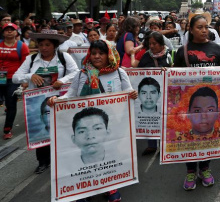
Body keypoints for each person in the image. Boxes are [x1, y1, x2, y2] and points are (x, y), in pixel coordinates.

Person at [48, 39, 138, 202]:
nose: (97, 57)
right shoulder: (82, 74)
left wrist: (132, 94)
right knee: (85, 156)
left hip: (111, 123)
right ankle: (84, 190)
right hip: (86, 122)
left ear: (109, 55)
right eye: (94, 53)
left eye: (101, 53)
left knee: (109, 154)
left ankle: (111, 186)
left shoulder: (119, 72)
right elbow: (71, 94)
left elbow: (128, 91)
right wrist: (57, 100)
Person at [13, 29, 78, 173]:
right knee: (42, 131)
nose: (43, 48)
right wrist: (30, 76)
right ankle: (42, 161)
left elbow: (76, 73)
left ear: (54, 45)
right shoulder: (31, 59)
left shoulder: (64, 57)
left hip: (60, 100)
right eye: (41, 44)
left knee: (62, 130)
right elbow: (15, 77)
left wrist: (62, 80)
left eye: (47, 44)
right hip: (37, 103)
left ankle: (62, 160)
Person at [173, 14, 220, 190]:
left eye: (206, 27)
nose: (204, 31)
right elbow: (174, 77)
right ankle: (190, 171)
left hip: (210, 102)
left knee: (206, 136)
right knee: (190, 138)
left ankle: (205, 169)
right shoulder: (183, 51)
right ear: (191, 29)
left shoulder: (216, 49)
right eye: (199, 27)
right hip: (189, 105)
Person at [137, 33, 172, 156]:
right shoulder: (146, 56)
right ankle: (152, 145)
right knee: (151, 117)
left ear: (162, 44)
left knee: (165, 117)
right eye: (149, 44)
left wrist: (169, 71)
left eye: (154, 44)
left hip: (167, 93)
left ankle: (163, 146)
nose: (151, 46)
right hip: (150, 94)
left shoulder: (170, 55)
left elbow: (177, 70)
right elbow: (138, 74)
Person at [1, 23, 29, 140]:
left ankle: (8, 129)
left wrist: (24, 80)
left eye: (12, 30)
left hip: (13, 79)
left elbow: (26, 64)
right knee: (5, 102)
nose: (9, 32)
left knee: (11, 103)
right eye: (6, 30)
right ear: (3, 32)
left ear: (16, 32)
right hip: (0, 78)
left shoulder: (21, 46)